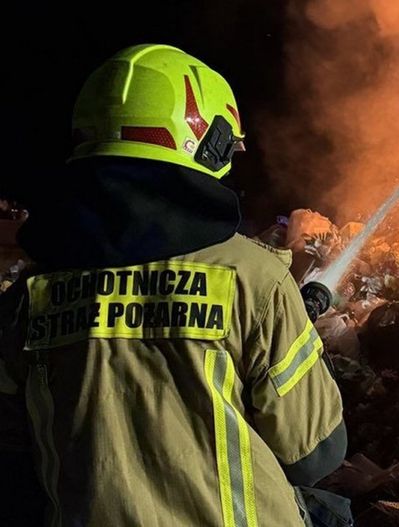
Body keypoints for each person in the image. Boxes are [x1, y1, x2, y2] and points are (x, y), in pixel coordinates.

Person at [0, 44, 348, 526]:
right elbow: (315, 453)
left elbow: (16, 457)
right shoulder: (254, 279)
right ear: (207, 143)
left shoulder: (26, 300)